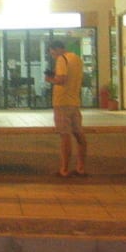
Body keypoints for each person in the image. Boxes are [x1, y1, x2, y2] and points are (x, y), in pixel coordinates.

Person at [45, 38, 88, 177]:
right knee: (79, 135)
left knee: (65, 136)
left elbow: (61, 79)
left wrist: (50, 79)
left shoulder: (62, 59)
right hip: (74, 101)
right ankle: (80, 167)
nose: (53, 56)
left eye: (52, 53)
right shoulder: (77, 59)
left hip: (62, 102)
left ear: (58, 49)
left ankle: (64, 169)